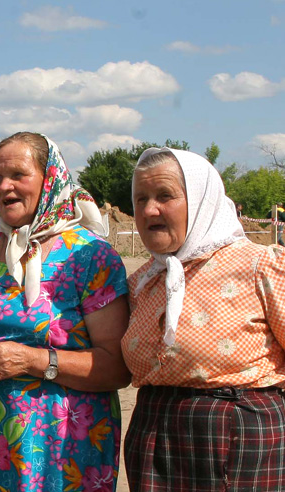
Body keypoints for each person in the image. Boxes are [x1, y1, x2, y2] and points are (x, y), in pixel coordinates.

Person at [0, 132, 130, 491]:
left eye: (18, 175)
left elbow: (116, 367)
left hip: (60, 448)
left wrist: (32, 361)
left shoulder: (90, 256)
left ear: (50, 178)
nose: (4, 186)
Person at [122, 147, 285, 491]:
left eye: (164, 195)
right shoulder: (141, 283)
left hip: (239, 440)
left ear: (201, 200)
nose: (149, 209)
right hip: (153, 436)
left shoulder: (259, 265)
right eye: (140, 199)